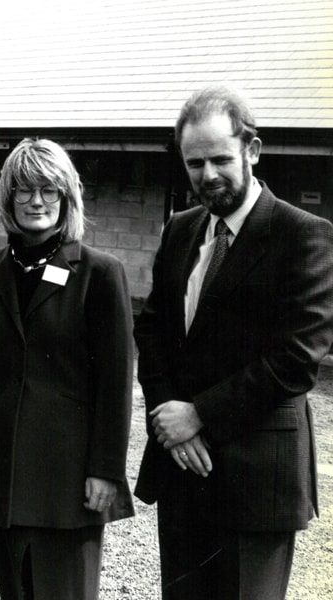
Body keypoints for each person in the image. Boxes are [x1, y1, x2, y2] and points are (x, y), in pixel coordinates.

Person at [134, 85, 333, 599]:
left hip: (257, 480)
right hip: (182, 469)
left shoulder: (303, 235)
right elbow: (152, 328)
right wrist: (168, 419)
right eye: (194, 163)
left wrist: (198, 414)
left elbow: (295, 360)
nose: (208, 176)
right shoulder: (180, 229)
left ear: (252, 150)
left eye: (220, 159)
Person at [0, 138, 135, 599]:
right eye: (24, 190)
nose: (36, 201)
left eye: (49, 190)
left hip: (68, 481)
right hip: (1, 477)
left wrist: (106, 470)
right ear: (7, 198)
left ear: (67, 198)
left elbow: (116, 383)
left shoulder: (100, 273)